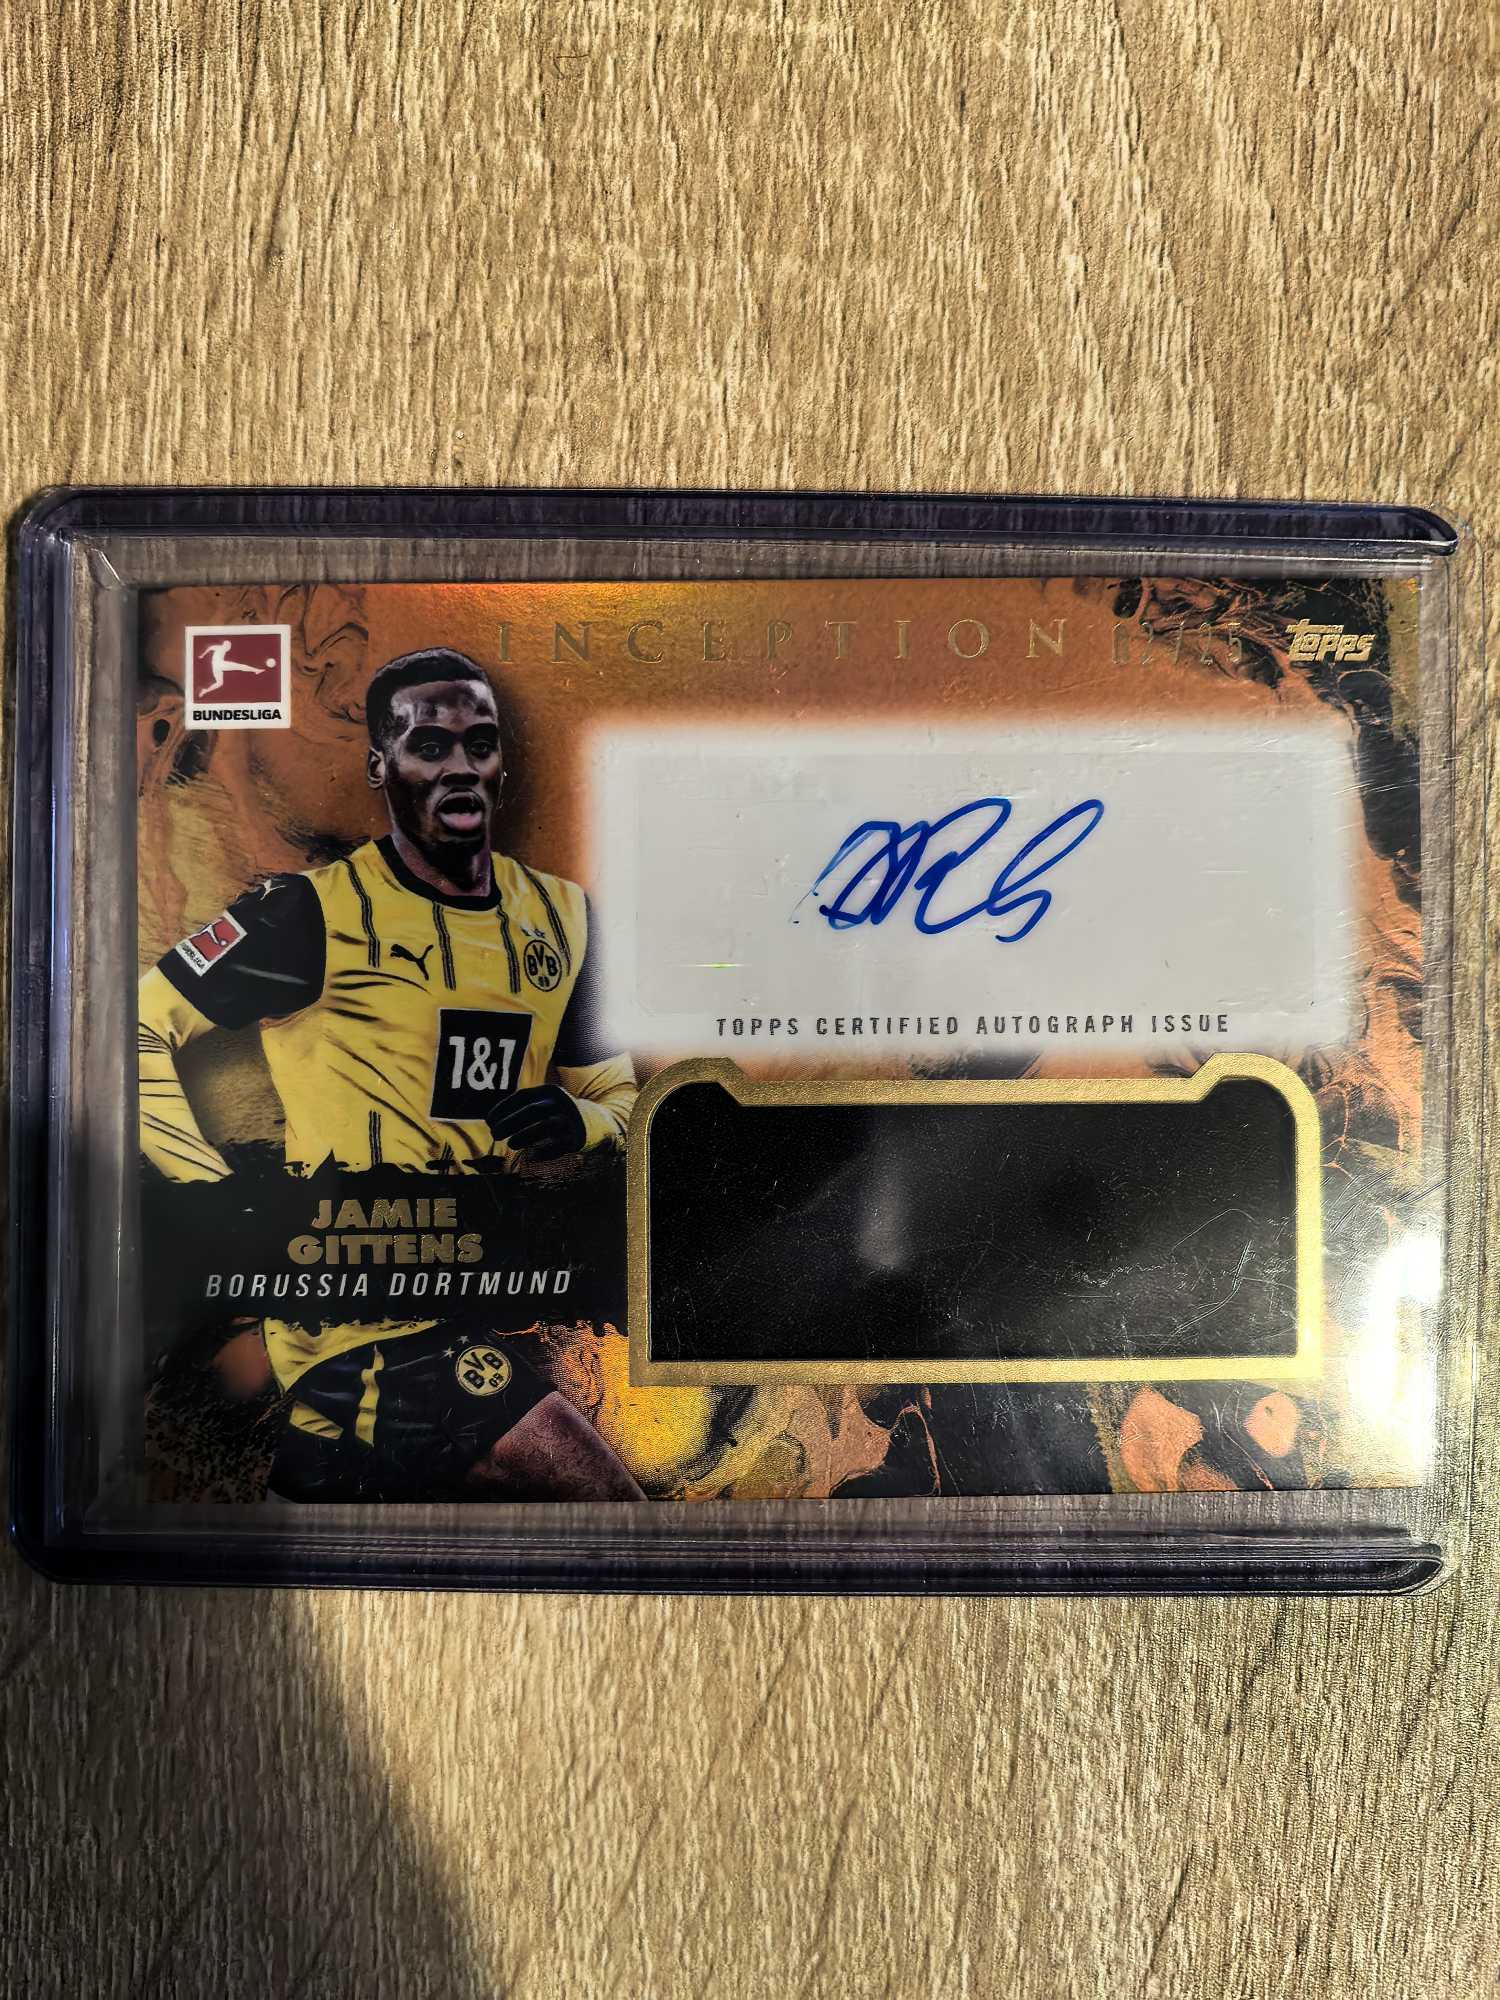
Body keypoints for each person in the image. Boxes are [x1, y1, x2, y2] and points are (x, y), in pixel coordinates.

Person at [138, 647, 643, 1501]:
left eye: (479, 744)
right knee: (610, 1510)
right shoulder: (309, 913)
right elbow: (137, 1026)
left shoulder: (564, 919)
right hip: (355, 1323)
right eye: (429, 746)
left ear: (501, 763)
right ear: (381, 765)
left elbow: (619, 1101)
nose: (460, 767)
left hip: (486, 1298)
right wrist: (213, 1192)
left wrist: (580, 1121)